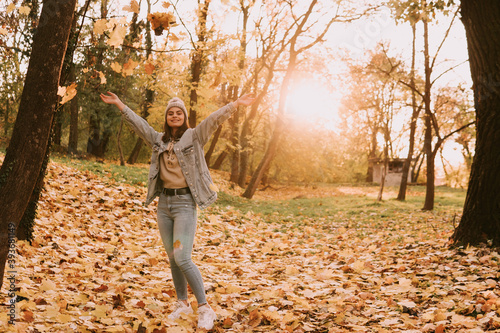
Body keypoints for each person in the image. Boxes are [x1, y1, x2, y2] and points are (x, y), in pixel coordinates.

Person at [100, 91, 256, 330]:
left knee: (183, 257)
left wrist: (235, 104)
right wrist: (120, 104)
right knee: (173, 258)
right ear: (167, 118)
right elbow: (139, 124)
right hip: (164, 205)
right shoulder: (158, 140)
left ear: (184, 117)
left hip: (185, 204)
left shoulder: (194, 136)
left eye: (179, 113)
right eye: (171, 113)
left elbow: (213, 119)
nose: (175, 116)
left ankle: (205, 308)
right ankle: (182, 303)